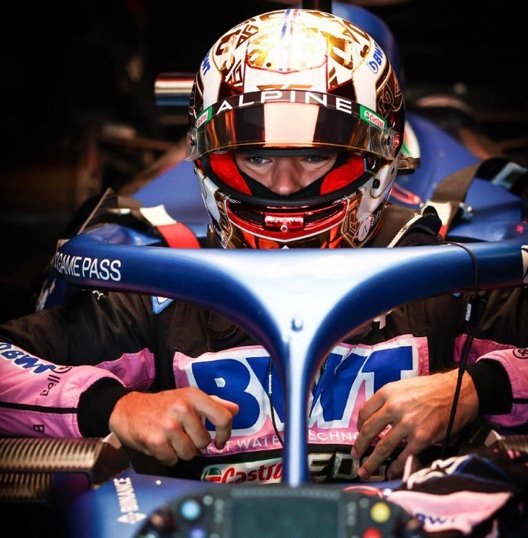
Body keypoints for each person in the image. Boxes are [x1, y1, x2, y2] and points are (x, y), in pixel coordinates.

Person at [1, 8, 527, 484]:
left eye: (314, 157)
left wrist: (475, 388)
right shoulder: (163, 282)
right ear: (211, 159)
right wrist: (117, 407)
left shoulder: (436, 274)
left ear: (375, 159)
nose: (283, 185)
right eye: (256, 158)